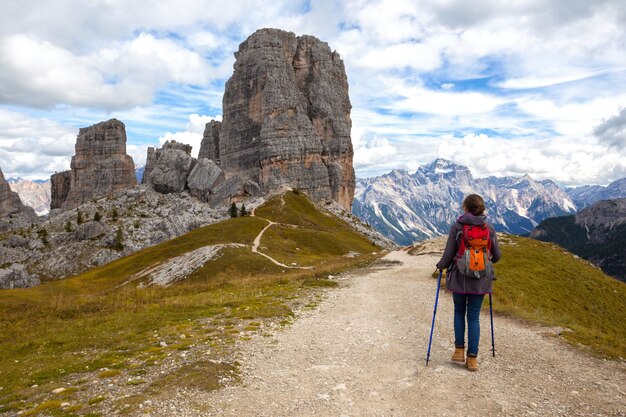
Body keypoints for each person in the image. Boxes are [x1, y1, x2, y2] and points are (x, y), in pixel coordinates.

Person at [436, 194, 501, 371]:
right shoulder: (489, 228)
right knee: (473, 317)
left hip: (460, 278)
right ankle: (472, 359)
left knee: (459, 311)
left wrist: (441, 265)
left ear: (465, 207)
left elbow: (449, 254)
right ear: (482, 208)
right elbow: (497, 257)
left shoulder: (457, 226)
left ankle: (459, 350)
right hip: (481, 280)